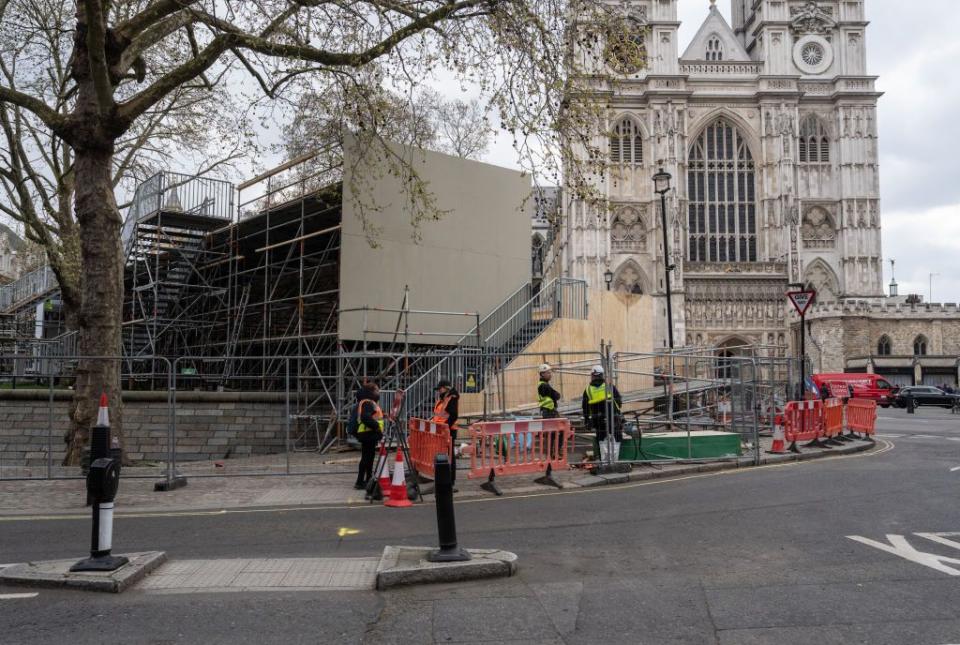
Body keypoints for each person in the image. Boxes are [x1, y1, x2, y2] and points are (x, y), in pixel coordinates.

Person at [582, 365, 623, 463]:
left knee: (601, 439)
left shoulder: (588, 390)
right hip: (613, 418)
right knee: (616, 438)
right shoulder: (609, 386)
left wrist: (587, 420)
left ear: (592, 375)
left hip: (598, 420)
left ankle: (605, 463)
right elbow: (619, 401)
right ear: (602, 375)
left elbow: (585, 407)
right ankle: (614, 462)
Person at [353, 381, 384, 490]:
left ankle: (366, 480)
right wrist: (377, 428)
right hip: (368, 433)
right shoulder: (368, 403)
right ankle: (361, 481)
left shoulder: (368, 402)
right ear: (371, 392)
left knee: (368, 458)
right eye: (377, 390)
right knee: (367, 458)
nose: (378, 392)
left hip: (368, 433)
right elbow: (366, 418)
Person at [432, 379, 460, 484]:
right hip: (442, 430)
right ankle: (444, 477)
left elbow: (453, 415)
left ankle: (451, 479)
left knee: (449, 455)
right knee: (444, 454)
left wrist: (446, 427)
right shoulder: (443, 399)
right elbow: (438, 415)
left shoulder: (451, 398)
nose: (439, 391)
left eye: (440, 389)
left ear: (446, 388)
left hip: (449, 431)